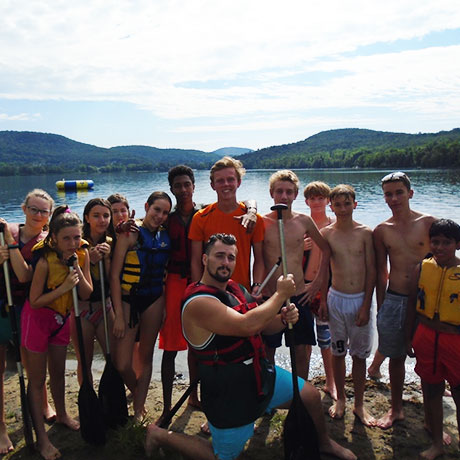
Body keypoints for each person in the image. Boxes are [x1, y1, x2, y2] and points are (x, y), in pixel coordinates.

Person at [145, 233, 356, 460]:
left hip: (257, 376)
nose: (226, 263)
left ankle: (323, 443)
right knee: (222, 457)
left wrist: (283, 319)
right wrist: (280, 295)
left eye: (230, 258)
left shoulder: (235, 290)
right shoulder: (199, 302)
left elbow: (263, 327)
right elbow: (247, 325)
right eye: (219, 256)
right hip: (228, 393)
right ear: (205, 259)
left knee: (310, 396)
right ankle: (159, 435)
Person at [23, 205, 92, 460]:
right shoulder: (44, 261)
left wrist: (76, 269)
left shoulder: (81, 255)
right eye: (66, 238)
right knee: (38, 379)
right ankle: (42, 439)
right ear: (53, 238)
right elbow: (35, 300)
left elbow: (86, 293)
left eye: (76, 237)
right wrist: (64, 287)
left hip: (61, 320)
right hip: (38, 320)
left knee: (59, 373)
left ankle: (62, 413)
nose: (73, 243)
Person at [374, 171, 436, 429]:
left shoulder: (429, 223)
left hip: (427, 301)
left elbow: (446, 259)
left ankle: (433, 417)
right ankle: (396, 409)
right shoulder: (381, 230)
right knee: (396, 356)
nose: (394, 198)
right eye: (389, 194)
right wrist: (380, 307)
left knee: (430, 356)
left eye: (399, 192)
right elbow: (381, 271)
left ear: (410, 193)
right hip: (396, 298)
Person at [262, 171, 331, 381]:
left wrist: (318, 282)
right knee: (267, 351)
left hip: (300, 294)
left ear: (296, 194)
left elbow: (326, 249)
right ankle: (270, 397)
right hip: (270, 297)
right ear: (272, 193)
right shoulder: (262, 222)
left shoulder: (304, 220)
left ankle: (300, 396)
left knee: (301, 352)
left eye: (289, 192)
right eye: (279, 191)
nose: (284, 196)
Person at [0, 189, 55, 454]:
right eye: (33, 209)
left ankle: (44, 406)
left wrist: (10, 248)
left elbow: (23, 276)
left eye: (44, 211)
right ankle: (0, 427)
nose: (38, 215)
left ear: (49, 215)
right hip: (3, 302)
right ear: (23, 209)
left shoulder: (45, 241)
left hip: (27, 305)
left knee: (33, 361)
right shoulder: (6, 230)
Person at [110, 191, 171, 422]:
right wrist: (116, 315)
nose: (160, 216)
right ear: (146, 206)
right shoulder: (130, 234)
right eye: (157, 210)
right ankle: (137, 393)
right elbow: (115, 276)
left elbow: (163, 273)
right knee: (122, 363)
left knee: (145, 357)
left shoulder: (166, 237)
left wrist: (164, 306)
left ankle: (138, 410)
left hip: (155, 300)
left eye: (165, 212)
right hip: (128, 301)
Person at [320, 184, 376, 426]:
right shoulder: (327, 233)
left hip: (359, 298)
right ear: (331, 206)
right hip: (336, 299)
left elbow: (373, 271)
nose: (342, 209)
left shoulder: (366, 233)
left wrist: (366, 305)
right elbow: (323, 270)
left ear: (355, 204)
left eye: (347, 203)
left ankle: (359, 404)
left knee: (360, 356)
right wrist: (321, 299)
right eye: (337, 204)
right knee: (338, 351)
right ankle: (341, 398)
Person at [406, 218, 460, 460]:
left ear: (457, 244)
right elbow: (411, 305)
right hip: (425, 335)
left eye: (446, 243)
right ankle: (437, 442)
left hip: (454, 339)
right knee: (431, 389)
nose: (439, 247)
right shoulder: (422, 267)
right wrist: (408, 336)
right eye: (435, 242)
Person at [158, 165, 201, 421]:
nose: (183, 190)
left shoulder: (204, 214)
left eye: (187, 184)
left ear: (194, 186)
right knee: (171, 347)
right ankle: (166, 407)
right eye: (178, 186)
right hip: (173, 283)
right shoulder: (167, 219)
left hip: (198, 282)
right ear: (172, 189)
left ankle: (194, 396)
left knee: (200, 343)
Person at [189, 156, 264, 295]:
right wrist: (198, 291)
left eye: (230, 179)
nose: (226, 184)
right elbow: (195, 261)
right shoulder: (200, 218)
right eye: (220, 181)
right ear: (213, 185)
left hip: (242, 292)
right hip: (211, 292)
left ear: (239, 182)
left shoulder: (253, 219)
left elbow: (259, 259)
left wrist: (258, 284)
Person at [70, 198, 115, 385]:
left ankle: (110, 397)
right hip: (81, 309)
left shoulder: (111, 241)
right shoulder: (77, 243)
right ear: (87, 218)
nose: (102, 220)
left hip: (104, 306)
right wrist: (90, 260)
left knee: (113, 357)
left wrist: (106, 259)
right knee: (85, 361)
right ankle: (88, 401)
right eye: (96, 216)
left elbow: (113, 279)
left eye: (106, 215)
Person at [303, 180, 337, 399]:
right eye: (312, 198)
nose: (317, 202)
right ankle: (303, 383)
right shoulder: (301, 224)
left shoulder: (334, 225)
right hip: (305, 286)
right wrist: (298, 246)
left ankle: (331, 382)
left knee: (327, 340)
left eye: (321, 198)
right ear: (306, 201)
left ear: (328, 201)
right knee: (305, 340)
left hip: (327, 287)